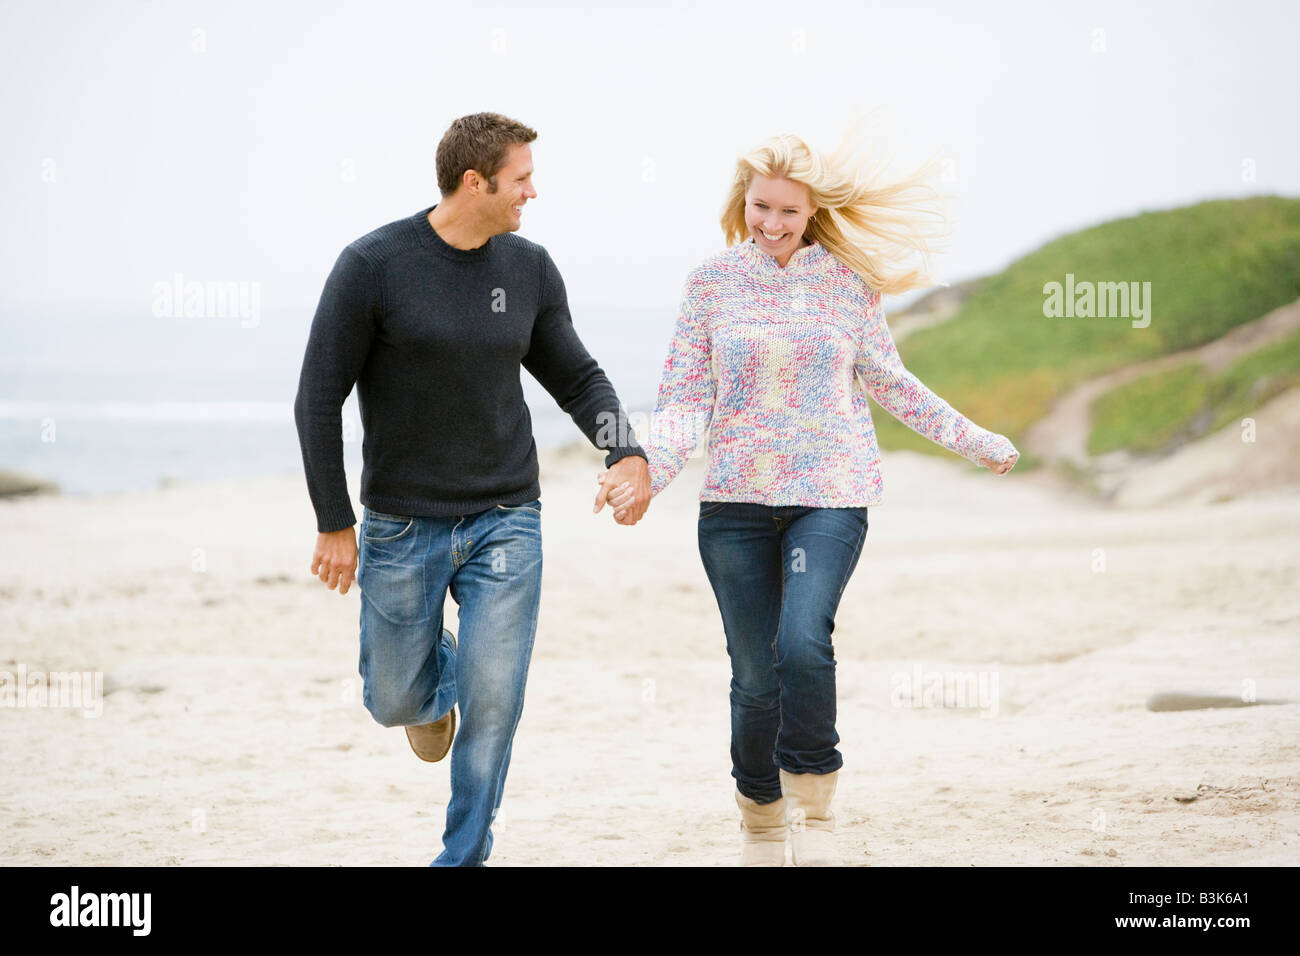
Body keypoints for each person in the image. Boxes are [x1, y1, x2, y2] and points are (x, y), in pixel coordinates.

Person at [595, 127, 1019, 866]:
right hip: (734, 506)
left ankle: (814, 810)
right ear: (743, 201)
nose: (772, 223)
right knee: (755, 676)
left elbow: (889, 380)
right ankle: (761, 819)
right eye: (761, 206)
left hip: (830, 494)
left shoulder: (849, 281)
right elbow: (686, 399)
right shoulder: (711, 282)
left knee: (801, 644)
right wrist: (647, 475)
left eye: (789, 211)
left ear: (814, 211)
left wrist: (975, 440)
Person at [294, 111, 652, 867]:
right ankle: (434, 686)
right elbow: (317, 399)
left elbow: (576, 377)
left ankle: (462, 857)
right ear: (474, 182)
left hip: (506, 518)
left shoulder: (528, 269)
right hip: (402, 524)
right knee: (392, 698)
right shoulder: (373, 266)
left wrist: (627, 452)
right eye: (521, 179)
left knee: (495, 701)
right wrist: (334, 521)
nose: (532, 192)